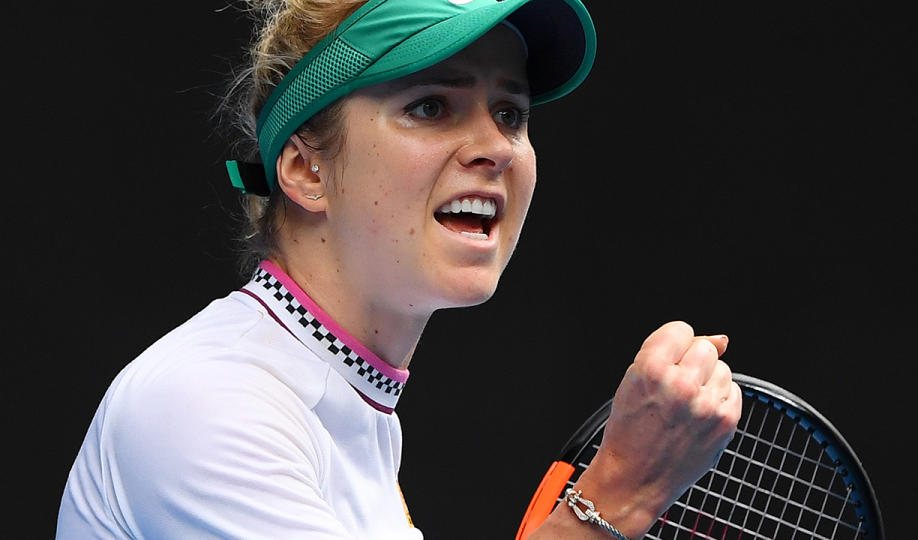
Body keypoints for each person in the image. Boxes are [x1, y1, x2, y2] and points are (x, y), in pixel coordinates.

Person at [57, 0, 742, 538]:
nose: (495, 148)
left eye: (510, 112)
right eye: (431, 106)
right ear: (305, 169)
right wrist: (617, 494)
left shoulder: (347, 403)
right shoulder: (208, 404)